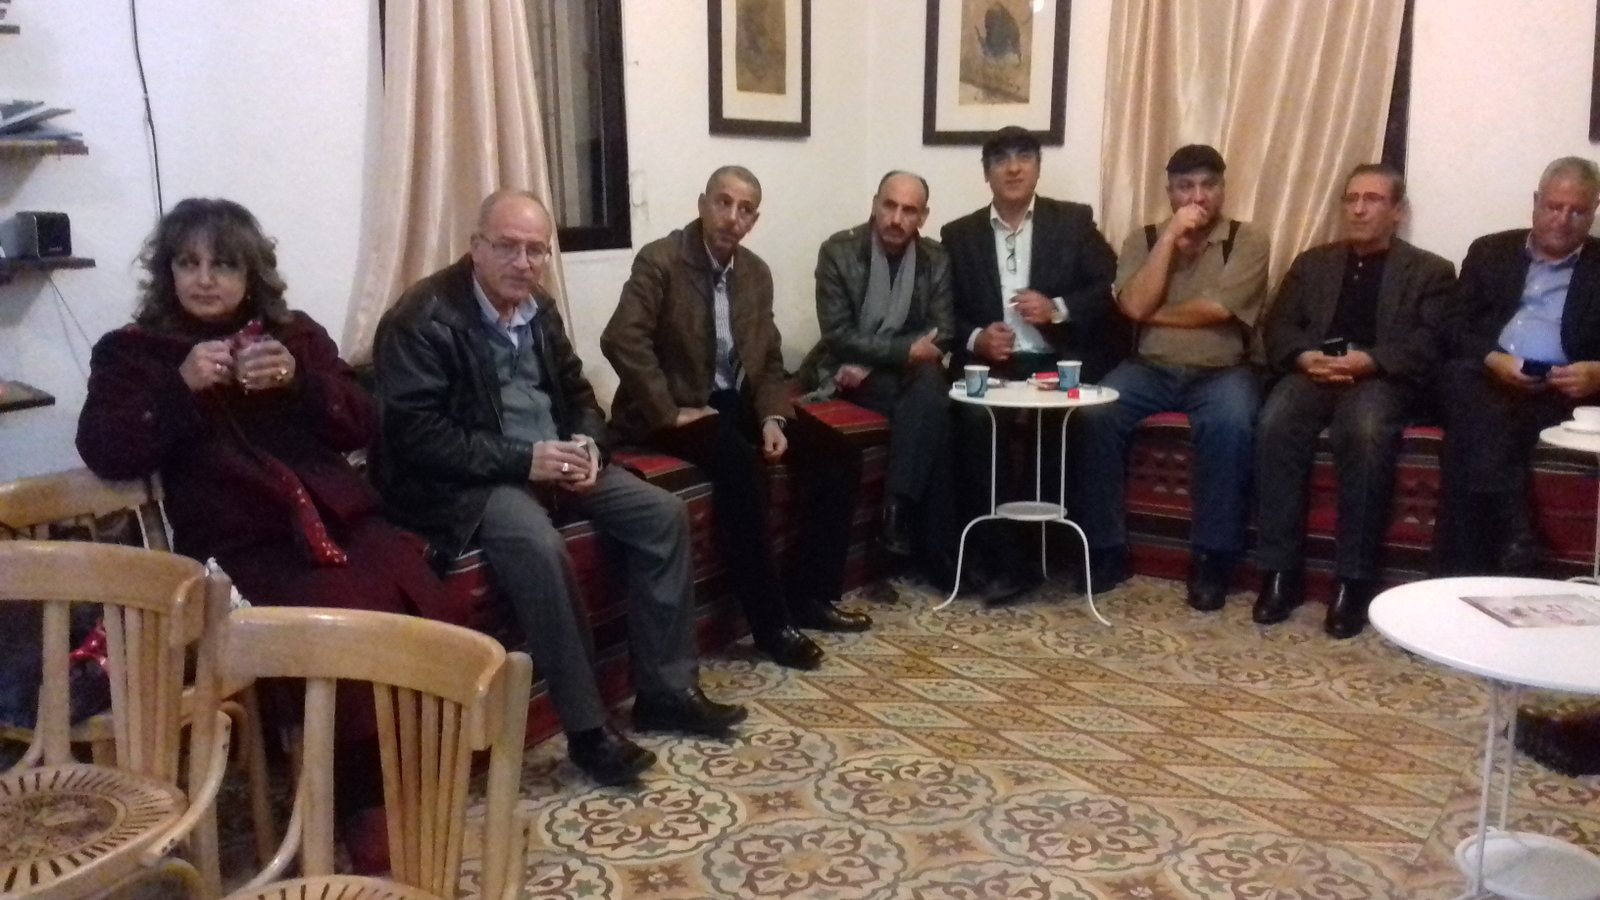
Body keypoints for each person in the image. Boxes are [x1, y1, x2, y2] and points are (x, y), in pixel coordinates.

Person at [75, 197, 437, 870]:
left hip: (339, 522)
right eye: (188, 263)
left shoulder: (292, 335)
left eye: (223, 265)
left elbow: (362, 422)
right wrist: (180, 389)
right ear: (167, 272)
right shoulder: (134, 352)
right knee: (343, 625)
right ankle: (361, 800)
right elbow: (105, 448)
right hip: (238, 544)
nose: (204, 279)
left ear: (252, 274)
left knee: (418, 592)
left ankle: (411, 771)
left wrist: (298, 382)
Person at [371, 190, 746, 788]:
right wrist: (527, 460)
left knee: (662, 514)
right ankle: (589, 728)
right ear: (475, 247)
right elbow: (417, 437)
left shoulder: (539, 307)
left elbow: (577, 393)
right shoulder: (421, 319)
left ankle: (666, 692)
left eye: (536, 250)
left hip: (553, 457)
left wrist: (590, 445)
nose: (523, 263)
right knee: (540, 546)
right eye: (508, 247)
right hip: (468, 481)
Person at [601, 165, 869, 673]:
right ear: (703, 203)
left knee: (838, 457)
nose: (732, 217)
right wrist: (668, 410)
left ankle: (810, 597)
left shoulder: (755, 273)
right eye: (723, 202)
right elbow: (621, 338)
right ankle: (771, 625)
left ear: (754, 220)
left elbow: (767, 358)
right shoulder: (661, 260)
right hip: (668, 408)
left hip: (733, 399)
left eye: (745, 209)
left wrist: (774, 417)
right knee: (741, 466)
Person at [1252, 164, 1455, 638]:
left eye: (1373, 199)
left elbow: (1429, 343)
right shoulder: (1313, 263)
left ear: (1398, 211)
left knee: (1363, 430)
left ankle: (1353, 580)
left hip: (1381, 378)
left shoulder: (1430, 271)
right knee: (1276, 419)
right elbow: (1278, 324)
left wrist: (1370, 361)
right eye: (1351, 199)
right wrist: (1303, 357)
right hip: (1315, 372)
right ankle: (1280, 571)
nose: (1359, 209)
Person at [1074, 144, 1269, 611]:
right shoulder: (1141, 239)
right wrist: (1167, 240)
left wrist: (1151, 313)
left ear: (1223, 189)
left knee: (1230, 423)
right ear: (1170, 193)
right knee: (1093, 411)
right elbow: (1133, 305)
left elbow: (1217, 310)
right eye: (1186, 187)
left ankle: (1211, 559)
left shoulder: (1247, 239)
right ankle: (1106, 549)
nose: (1197, 197)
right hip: (1148, 368)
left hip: (1222, 371)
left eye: (1208, 185)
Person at [940, 125, 1120, 600]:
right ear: (986, 173)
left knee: (1064, 422)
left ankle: (1057, 548)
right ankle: (1001, 555)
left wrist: (1057, 308)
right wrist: (977, 338)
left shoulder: (1073, 221)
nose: (1014, 168)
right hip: (991, 367)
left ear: (1038, 168)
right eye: (1001, 160)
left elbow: (1108, 286)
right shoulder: (958, 235)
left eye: (1024, 157)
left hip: (1055, 362)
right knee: (974, 423)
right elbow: (941, 309)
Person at [1434, 156, 1600, 575]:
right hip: (1489, 378)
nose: (1562, 219)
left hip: (1561, 392)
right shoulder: (1490, 251)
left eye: (1577, 211)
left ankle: (1461, 574)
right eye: (1554, 206)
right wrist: (1495, 359)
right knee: (1465, 383)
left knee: (1469, 439)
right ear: (1536, 201)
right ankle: (1518, 531)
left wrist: (1597, 373)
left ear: (1594, 212)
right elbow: (1452, 325)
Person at [798, 170, 958, 583]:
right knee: (934, 405)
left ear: (923, 216)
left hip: (895, 374)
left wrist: (885, 356)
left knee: (931, 394)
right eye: (889, 206)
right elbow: (838, 335)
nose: (896, 219)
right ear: (874, 204)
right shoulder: (838, 251)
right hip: (844, 374)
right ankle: (937, 553)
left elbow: (943, 330)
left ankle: (896, 512)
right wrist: (905, 351)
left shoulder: (935, 258)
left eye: (909, 210)